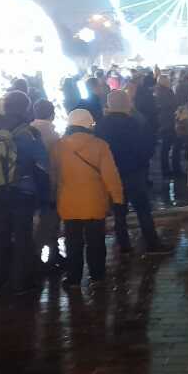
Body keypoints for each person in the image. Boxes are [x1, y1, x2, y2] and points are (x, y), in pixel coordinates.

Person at [0, 90, 49, 296]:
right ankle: (21, 281)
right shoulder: (27, 133)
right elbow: (42, 162)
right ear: (25, 108)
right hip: (22, 191)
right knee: (22, 236)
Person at [55, 108, 124, 287]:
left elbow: (53, 176)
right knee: (96, 242)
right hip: (94, 202)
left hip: (68, 203)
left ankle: (73, 278)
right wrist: (117, 198)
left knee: (72, 242)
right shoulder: (100, 145)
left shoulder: (58, 146)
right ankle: (97, 276)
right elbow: (111, 175)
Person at [98, 89, 167, 254]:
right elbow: (147, 146)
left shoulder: (101, 125)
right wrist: (142, 163)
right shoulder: (134, 123)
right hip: (134, 172)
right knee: (142, 209)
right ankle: (152, 243)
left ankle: (123, 245)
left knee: (119, 211)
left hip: (112, 174)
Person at [29, 98, 63, 267]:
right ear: (52, 114)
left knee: (42, 219)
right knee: (49, 219)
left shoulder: (30, 129)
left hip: (31, 183)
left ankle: (51, 252)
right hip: (48, 182)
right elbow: (55, 163)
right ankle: (40, 254)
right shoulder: (52, 134)